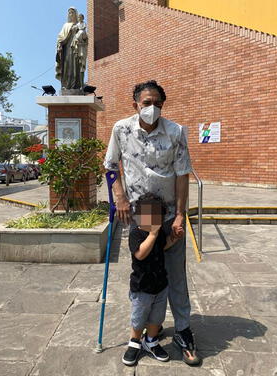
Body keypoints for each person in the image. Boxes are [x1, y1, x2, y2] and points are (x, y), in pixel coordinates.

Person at [104, 80, 201, 366]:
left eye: (158, 102)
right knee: (143, 273)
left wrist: (181, 214)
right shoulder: (121, 129)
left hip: (169, 213)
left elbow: (182, 174)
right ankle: (141, 333)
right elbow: (110, 166)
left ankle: (183, 330)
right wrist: (119, 198)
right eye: (146, 102)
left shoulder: (175, 132)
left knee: (175, 276)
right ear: (135, 104)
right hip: (138, 214)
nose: (152, 108)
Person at [122, 193, 180, 366]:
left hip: (160, 285)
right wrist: (152, 235)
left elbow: (164, 246)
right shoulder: (136, 234)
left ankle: (151, 340)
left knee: (157, 318)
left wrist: (173, 238)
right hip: (142, 288)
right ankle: (135, 342)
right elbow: (140, 254)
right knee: (139, 317)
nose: (151, 221)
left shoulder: (159, 233)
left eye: (156, 217)